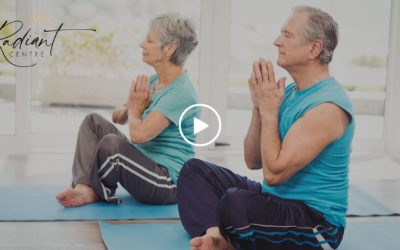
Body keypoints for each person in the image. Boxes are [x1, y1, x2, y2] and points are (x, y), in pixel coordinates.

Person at [177, 6, 354, 250]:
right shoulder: (290, 92)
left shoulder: (327, 108)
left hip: (315, 224)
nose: (276, 41)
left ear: (314, 48)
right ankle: (217, 236)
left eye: (287, 35)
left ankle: (226, 239)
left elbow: (274, 174)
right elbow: (253, 161)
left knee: (235, 203)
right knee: (194, 170)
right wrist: (259, 109)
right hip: (274, 199)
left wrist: (270, 111)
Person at [56, 12, 199, 207]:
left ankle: (98, 191)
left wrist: (134, 110)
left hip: (166, 182)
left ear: (170, 48)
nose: (142, 44)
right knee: (93, 122)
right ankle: (84, 187)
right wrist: (131, 107)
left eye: (149, 41)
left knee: (112, 146)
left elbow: (138, 136)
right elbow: (118, 116)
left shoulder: (181, 93)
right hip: (142, 165)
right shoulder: (154, 81)